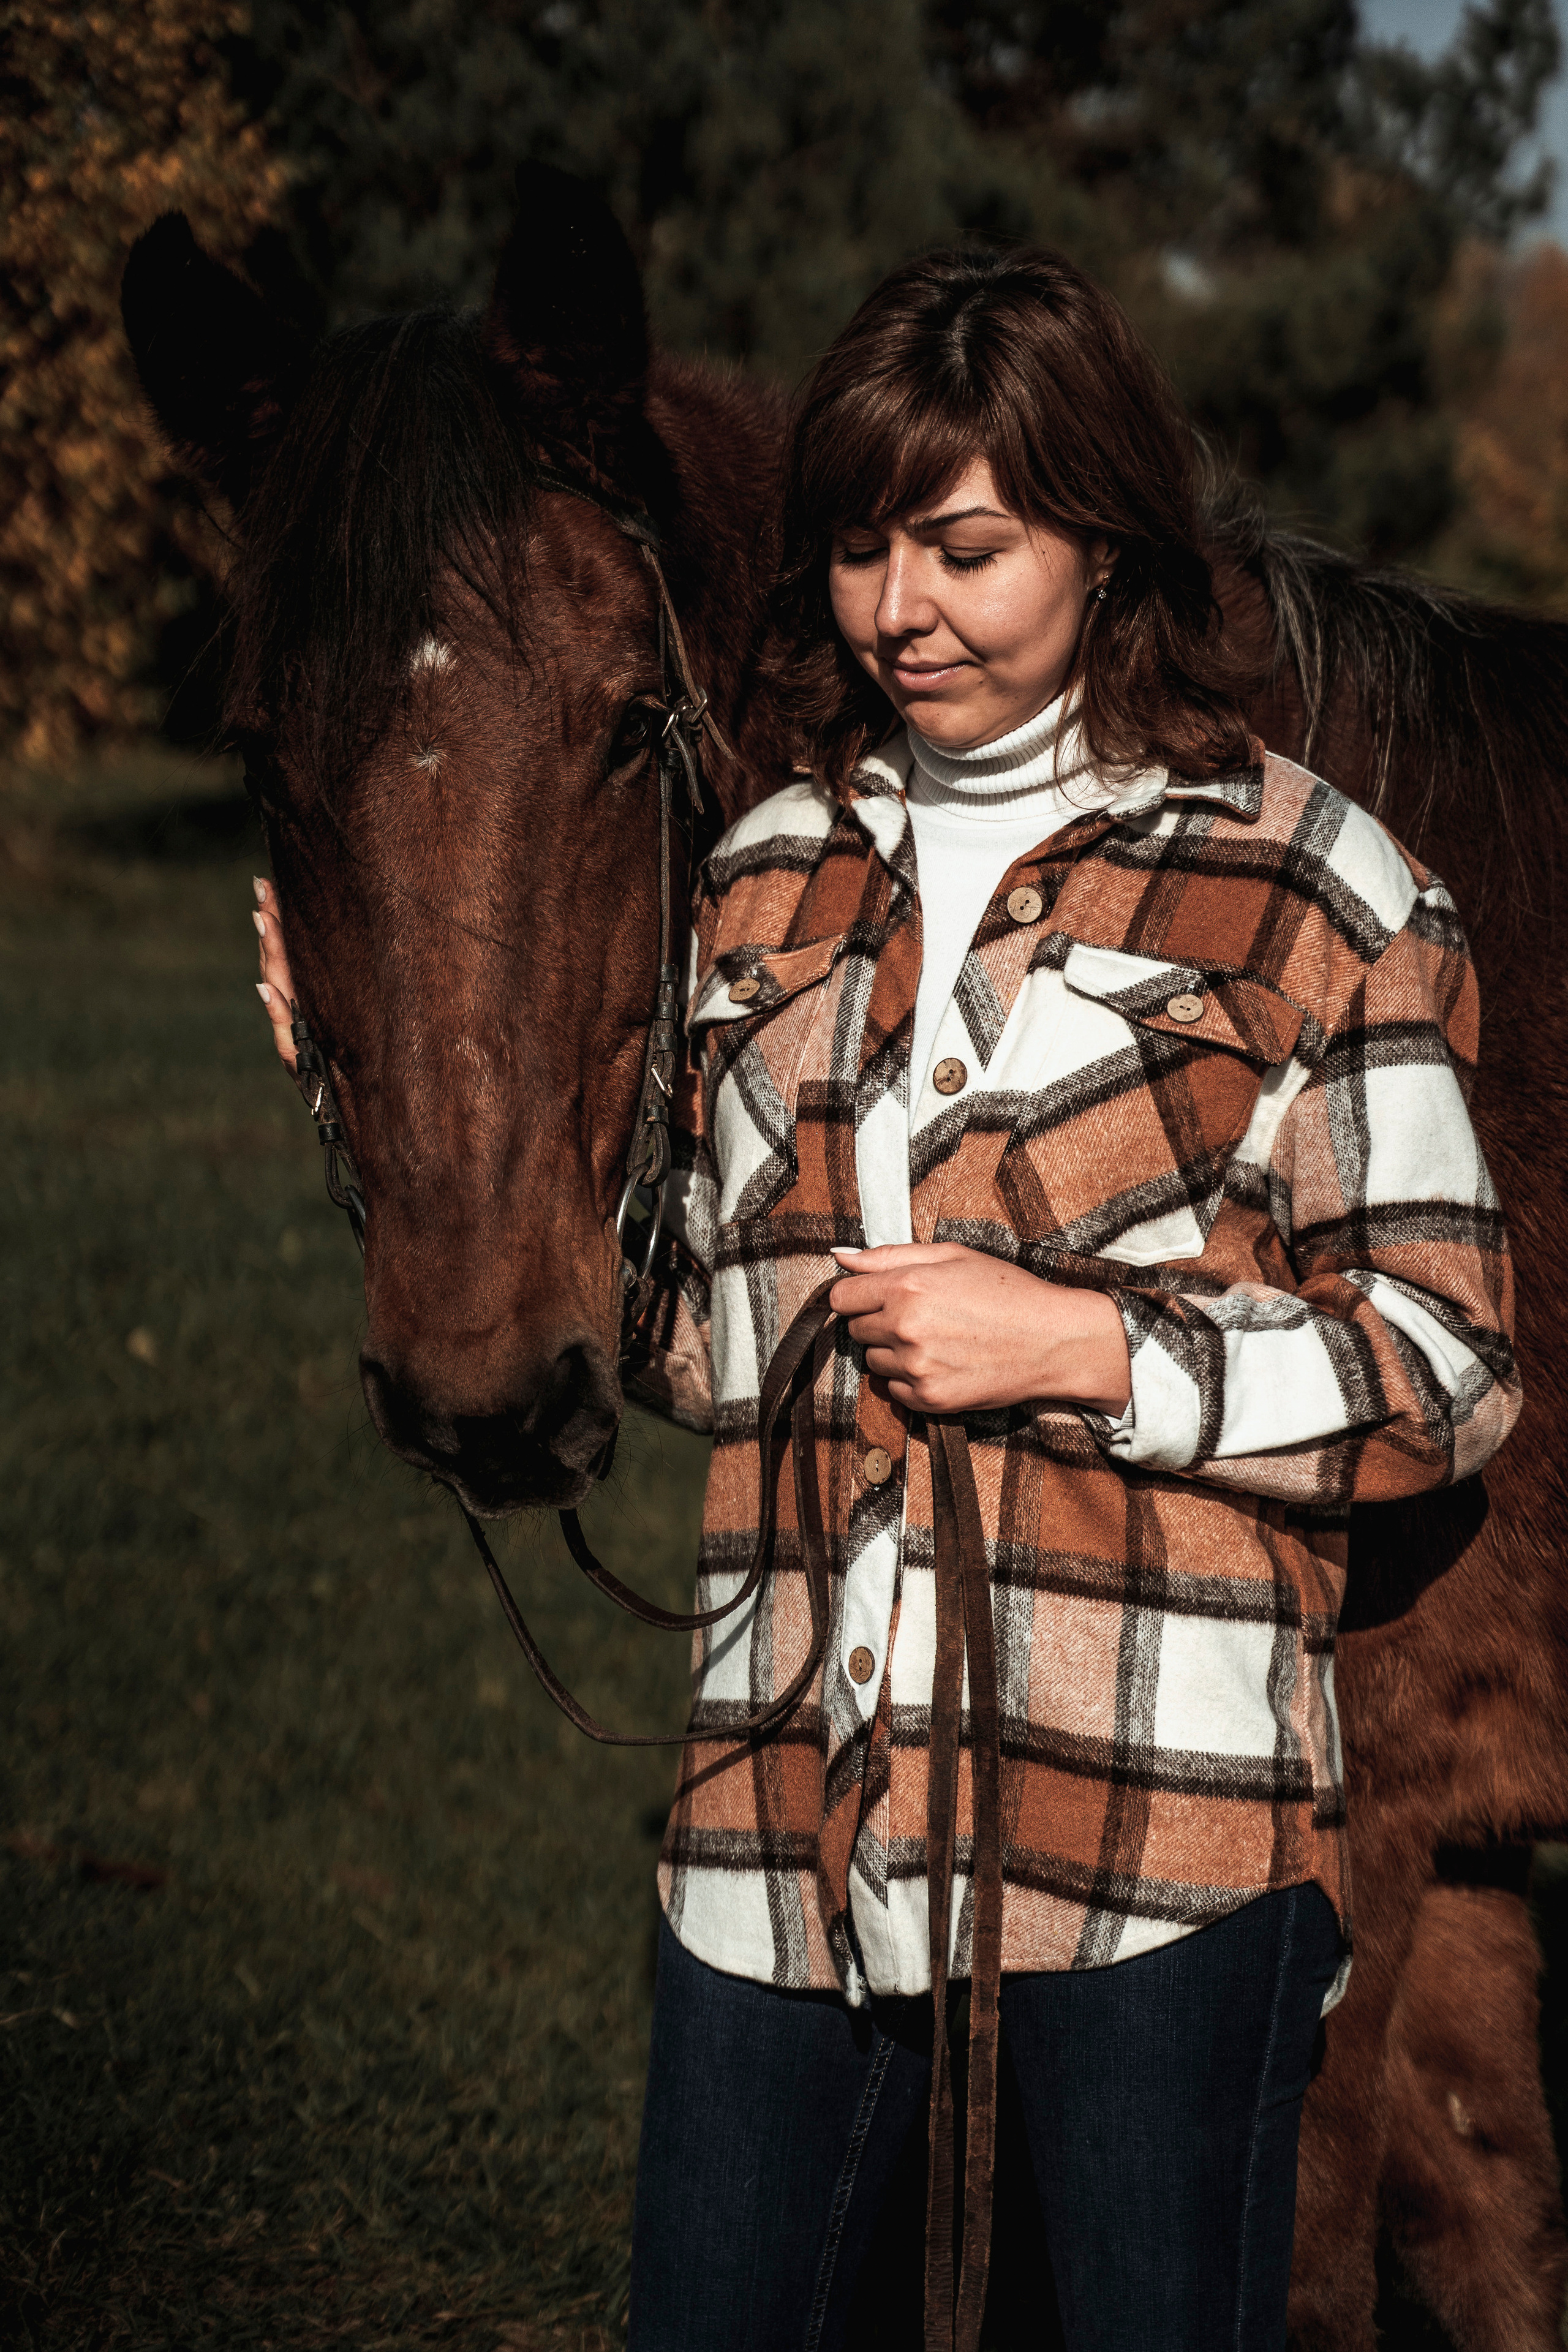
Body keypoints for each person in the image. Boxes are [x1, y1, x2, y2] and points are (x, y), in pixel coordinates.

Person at [254, 246, 1520, 2351]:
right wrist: (356, 1097)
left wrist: (1088, 1351)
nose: (900, 609)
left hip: (1155, 1866)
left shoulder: (1313, 885)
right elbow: (728, 1343)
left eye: (966, 548)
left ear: (1104, 544)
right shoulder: (765, 880)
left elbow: (1451, 1367)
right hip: (780, 1861)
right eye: (857, 551)